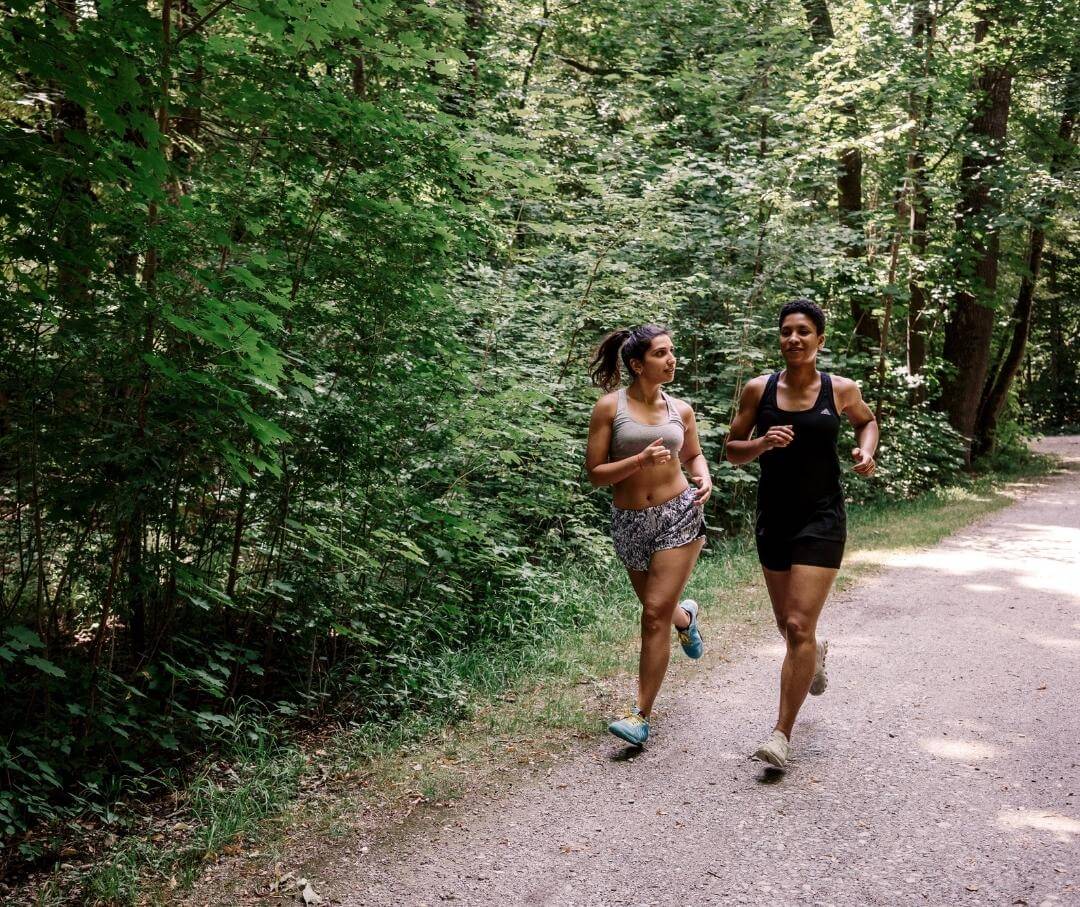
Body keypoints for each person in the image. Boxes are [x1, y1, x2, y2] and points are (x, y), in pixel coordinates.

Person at [726, 299, 879, 770]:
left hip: (822, 517)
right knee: (788, 627)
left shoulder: (841, 389)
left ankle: (780, 735)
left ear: (820, 340)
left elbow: (867, 422)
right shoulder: (759, 390)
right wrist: (762, 442)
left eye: (804, 331)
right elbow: (731, 450)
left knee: (797, 625)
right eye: (787, 331)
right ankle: (814, 658)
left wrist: (865, 451)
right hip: (774, 518)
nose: (794, 338)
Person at [585, 324, 713, 746]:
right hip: (630, 522)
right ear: (638, 364)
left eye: (672, 351)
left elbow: (693, 453)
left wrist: (703, 476)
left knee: (652, 614)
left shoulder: (682, 409)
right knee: (661, 611)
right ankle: (686, 617)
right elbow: (596, 474)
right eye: (661, 353)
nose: (672, 359)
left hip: (679, 515)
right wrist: (638, 460)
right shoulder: (610, 408)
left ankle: (640, 715)